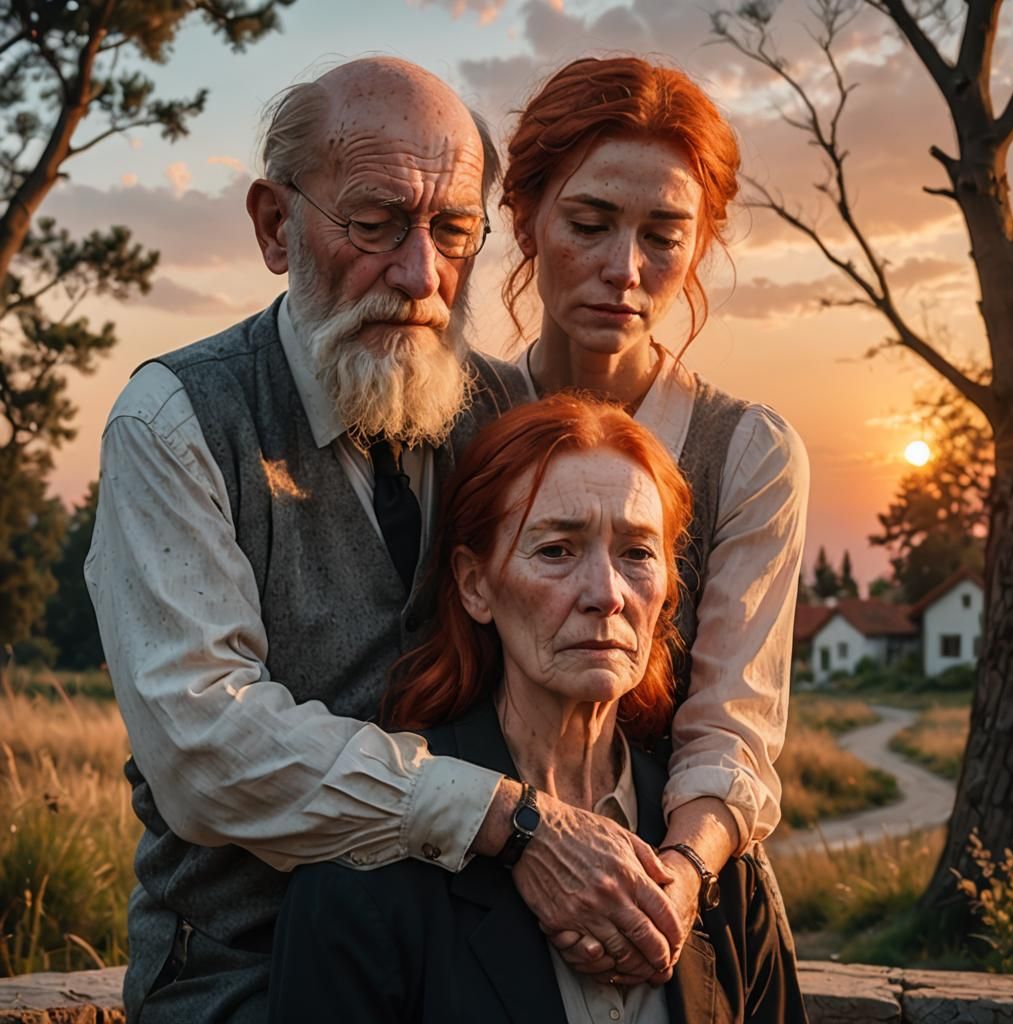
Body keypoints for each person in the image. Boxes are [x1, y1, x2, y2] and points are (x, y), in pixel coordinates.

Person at [85, 57, 691, 1023]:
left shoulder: (501, 408)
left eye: (454, 232)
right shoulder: (177, 421)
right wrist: (505, 819)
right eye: (373, 225)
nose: (419, 277)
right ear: (275, 225)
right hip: (245, 969)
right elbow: (202, 744)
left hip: (485, 940)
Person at [269, 394, 805, 1023]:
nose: (606, 594)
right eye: (556, 550)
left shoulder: (715, 860)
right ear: (475, 585)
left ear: (667, 590)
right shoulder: (372, 868)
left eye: (637, 553)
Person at [499, 55, 810, 972]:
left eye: (664, 236)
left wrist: (675, 878)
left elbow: (734, 724)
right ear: (524, 218)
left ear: (701, 244)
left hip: (687, 911)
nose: (622, 270)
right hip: (471, 889)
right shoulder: (464, 419)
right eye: (589, 224)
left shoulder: (745, 452)